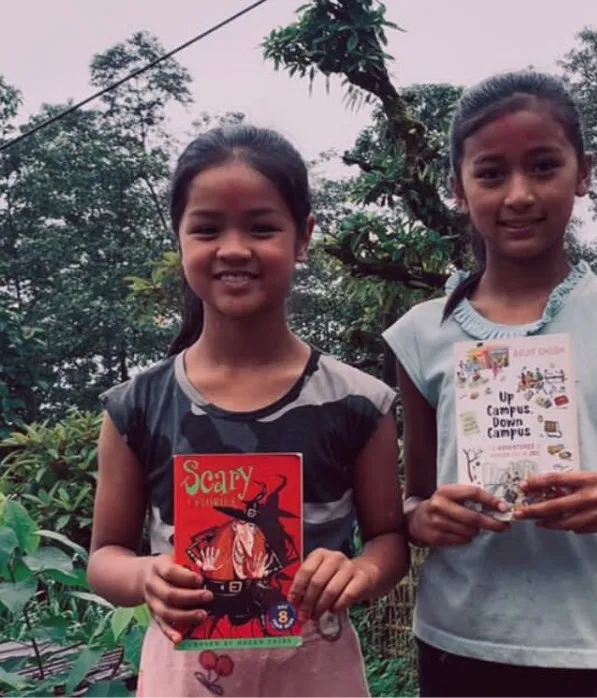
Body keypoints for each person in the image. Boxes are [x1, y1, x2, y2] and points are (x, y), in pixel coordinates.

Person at [383, 70, 597, 698]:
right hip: (455, 643)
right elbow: (412, 503)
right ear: (458, 188)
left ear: (583, 173)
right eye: (492, 173)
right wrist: (424, 518)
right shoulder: (420, 336)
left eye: (544, 166)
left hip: (587, 651)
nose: (519, 194)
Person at [87, 125, 408, 697]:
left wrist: (359, 572)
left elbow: (390, 540)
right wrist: (146, 576)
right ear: (180, 238)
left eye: (262, 227)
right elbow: (104, 557)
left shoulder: (358, 403)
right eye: (207, 228)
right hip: (186, 676)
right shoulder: (135, 406)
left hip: (316, 675)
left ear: (303, 237)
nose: (234, 248)